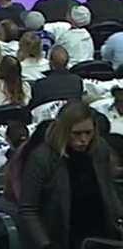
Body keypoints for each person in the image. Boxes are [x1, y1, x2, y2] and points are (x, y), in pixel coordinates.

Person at [19, 102, 123, 249]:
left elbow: (108, 190)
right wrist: (45, 245)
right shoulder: (42, 158)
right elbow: (28, 209)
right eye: (77, 133)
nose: (84, 139)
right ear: (63, 131)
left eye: (88, 133)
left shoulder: (100, 149)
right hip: (59, 238)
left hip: (101, 234)